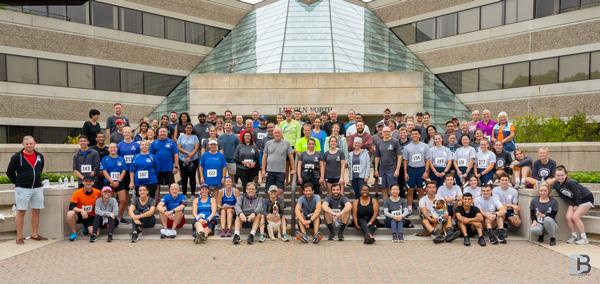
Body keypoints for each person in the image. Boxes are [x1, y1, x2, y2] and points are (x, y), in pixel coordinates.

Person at [7, 136, 47, 245]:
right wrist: (18, 182)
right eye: (27, 144)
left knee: (36, 211)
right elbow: (9, 172)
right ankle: (19, 237)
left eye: (31, 143)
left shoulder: (39, 156)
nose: (29, 145)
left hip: (37, 188)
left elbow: (40, 169)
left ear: (35, 144)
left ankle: (34, 234)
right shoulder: (17, 157)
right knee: (21, 212)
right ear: (23, 144)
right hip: (23, 189)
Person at [554, 166, 595, 245]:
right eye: (558, 175)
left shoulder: (570, 182)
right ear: (555, 176)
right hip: (574, 201)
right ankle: (574, 236)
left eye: (562, 175)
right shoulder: (556, 185)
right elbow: (564, 197)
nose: (560, 177)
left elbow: (578, 194)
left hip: (586, 198)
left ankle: (584, 238)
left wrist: (576, 205)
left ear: (566, 175)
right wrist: (572, 204)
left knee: (575, 217)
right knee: (568, 217)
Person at [66, 175, 101, 241]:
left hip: (91, 215)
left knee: (95, 233)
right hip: (80, 215)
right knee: (70, 214)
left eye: (90, 181)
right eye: (86, 181)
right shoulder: (77, 193)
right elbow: (71, 206)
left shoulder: (98, 192)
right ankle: (74, 233)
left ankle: (86, 227)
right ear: (83, 182)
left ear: (93, 182)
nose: (88, 183)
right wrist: (81, 211)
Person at [100, 143, 128, 223]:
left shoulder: (121, 159)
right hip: (108, 182)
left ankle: (118, 217)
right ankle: (109, 217)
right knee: (108, 200)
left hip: (119, 182)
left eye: (114, 147)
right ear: (108, 149)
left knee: (123, 200)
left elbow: (124, 171)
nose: (112, 149)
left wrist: (118, 181)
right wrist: (111, 181)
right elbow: (104, 171)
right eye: (111, 147)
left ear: (117, 149)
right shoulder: (105, 159)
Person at [403, 128, 429, 210]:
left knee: (421, 190)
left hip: (421, 169)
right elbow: (405, 161)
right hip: (411, 170)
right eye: (413, 134)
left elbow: (427, 160)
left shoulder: (425, 146)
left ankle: (421, 208)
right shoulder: (407, 147)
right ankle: (409, 208)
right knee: (410, 190)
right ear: (410, 135)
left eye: (416, 134)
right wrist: (405, 173)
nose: (414, 135)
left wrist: (426, 171)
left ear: (419, 135)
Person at [374, 126, 402, 201]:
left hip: (392, 169)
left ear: (391, 133)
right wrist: (376, 169)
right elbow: (377, 156)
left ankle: (393, 206)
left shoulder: (395, 142)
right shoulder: (379, 142)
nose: (386, 133)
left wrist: (397, 169)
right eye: (384, 132)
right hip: (382, 170)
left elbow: (399, 156)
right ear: (382, 132)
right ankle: (386, 206)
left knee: (392, 189)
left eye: (388, 132)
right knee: (383, 188)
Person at [493, 174, 521, 242]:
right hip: (499, 210)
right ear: (499, 181)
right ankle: (501, 231)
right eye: (502, 180)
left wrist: (516, 214)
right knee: (503, 209)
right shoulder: (495, 190)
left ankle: (505, 224)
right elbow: (497, 203)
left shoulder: (514, 191)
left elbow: (515, 204)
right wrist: (511, 206)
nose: (504, 182)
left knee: (517, 222)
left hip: (509, 211)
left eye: (506, 180)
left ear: (509, 181)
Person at [177, 123, 200, 196]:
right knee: (184, 177)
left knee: (192, 177)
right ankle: (184, 194)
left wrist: (190, 156)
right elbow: (179, 147)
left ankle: (193, 194)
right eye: (187, 128)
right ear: (185, 129)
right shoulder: (181, 137)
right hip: (182, 159)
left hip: (193, 159)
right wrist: (188, 153)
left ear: (192, 129)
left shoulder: (195, 137)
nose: (189, 129)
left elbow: (196, 147)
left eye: (190, 128)